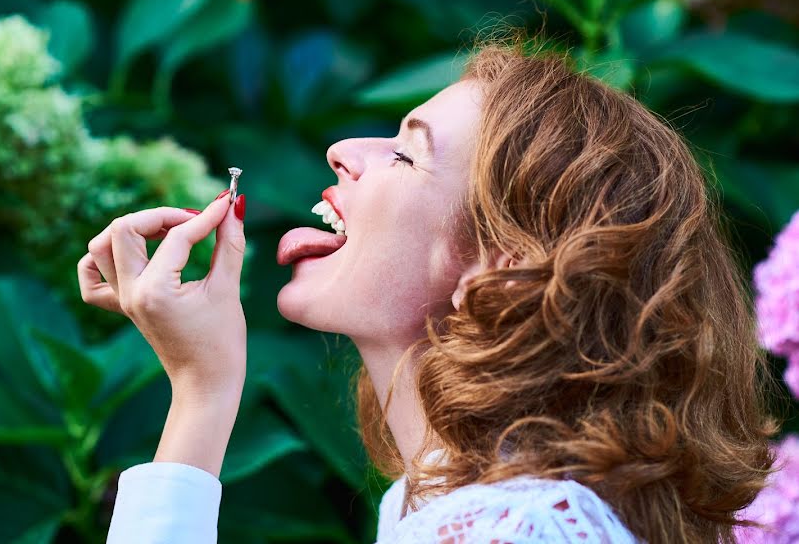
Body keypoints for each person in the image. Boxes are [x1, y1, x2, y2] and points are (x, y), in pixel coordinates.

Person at [80, 32, 780, 543]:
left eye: (406, 152)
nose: (343, 151)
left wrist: (200, 395)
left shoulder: (506, 530)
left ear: (504, 267)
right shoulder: (458, 506)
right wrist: (203, 386)